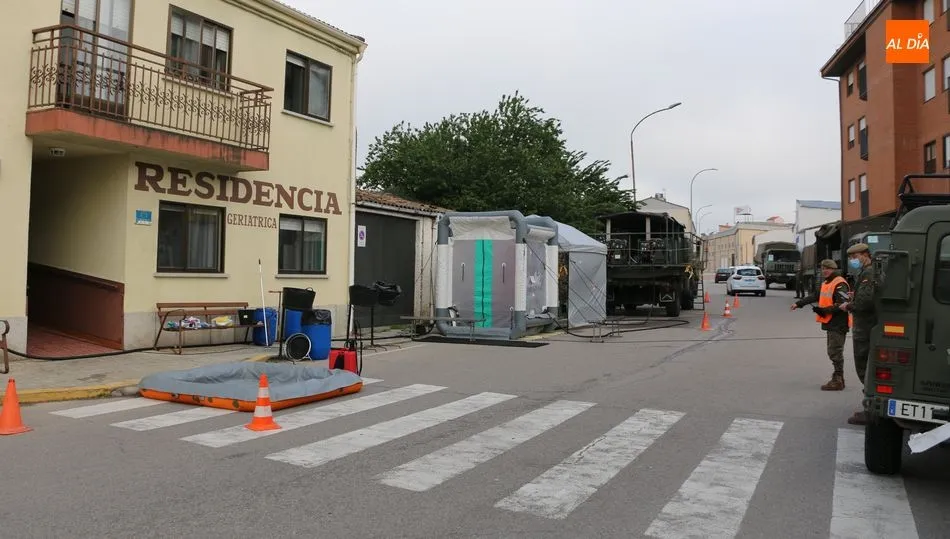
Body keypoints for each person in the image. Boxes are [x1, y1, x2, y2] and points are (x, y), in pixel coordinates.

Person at [791, 259, 851, 391]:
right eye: (823, 268)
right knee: (833, 351)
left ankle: (838, 379)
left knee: (835, 351)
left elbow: (842, 304)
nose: (825, 271)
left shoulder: (840, 283)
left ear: (834, 269)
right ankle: (839, 378)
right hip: (831, 323)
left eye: (828, 268)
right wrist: (799, 304)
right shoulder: (826, 283)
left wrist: (824, 311)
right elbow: (815, 296)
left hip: (838, 323)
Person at [840, 242, 877, 425]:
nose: (853, 261)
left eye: (855, 257)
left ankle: (870, 410)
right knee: (866, 367)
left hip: (866, 328)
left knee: (865, 367)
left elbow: (865, 302)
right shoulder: (866, 273)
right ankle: (869, 407)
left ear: (864, 255)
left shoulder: (869, 273)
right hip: (865, 326)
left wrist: (849, 305)